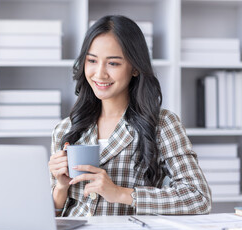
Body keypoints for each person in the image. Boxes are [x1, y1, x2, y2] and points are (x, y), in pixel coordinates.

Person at [48, 15, 212, 216]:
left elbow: (198, 198)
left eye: (113, 63)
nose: (99, 73)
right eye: (92, 60)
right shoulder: (65, 129)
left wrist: (120, 193)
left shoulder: (162, 124)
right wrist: (61, 187)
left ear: (134, 68)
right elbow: (51, 218)